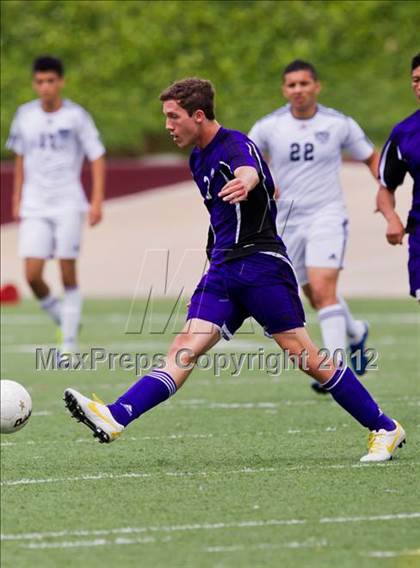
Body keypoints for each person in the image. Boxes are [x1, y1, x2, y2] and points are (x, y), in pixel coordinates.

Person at [64, 78, 405, 463]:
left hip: (261, 264)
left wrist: (246, 182)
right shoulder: (197, 158)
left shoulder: (235, 144)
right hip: (223, 268)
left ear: (197, 115)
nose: (167, 126)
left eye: (173, 117)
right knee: (183, 347)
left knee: (305, 356)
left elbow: (249, 171)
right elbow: (225, 212)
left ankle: (384, 427)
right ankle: (116, 415)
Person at [248, 60, 379, 392]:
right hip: (287, 220)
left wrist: (384, 190)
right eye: (291, 85)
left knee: (323, 291)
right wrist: (264, 176)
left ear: (316, 86)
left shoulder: (338, 123)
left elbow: (370, 156)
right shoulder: (269, 126)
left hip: (327, 215)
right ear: (284, 90)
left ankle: (333, 371)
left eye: (304, 83)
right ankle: (356, 331)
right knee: (313, 296)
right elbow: (246, 157)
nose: (298, 90)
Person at [6, 55, 106, 355]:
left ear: (60, 82)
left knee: (66, 273)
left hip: (68, 204)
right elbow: (20, 157)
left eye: (50, 81)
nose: (45, 87)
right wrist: (16, 195)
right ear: (34, 83)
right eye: (40, 81)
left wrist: (97, 200)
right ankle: (65, 321)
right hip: (35, 205)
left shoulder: (76, 117)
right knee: (32, 276)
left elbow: (97, 155)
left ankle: (69, 345)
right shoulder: (24, 115)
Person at [376, 53, 420, 302]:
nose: (419, 85)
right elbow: (385, 188)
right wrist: (392, 219)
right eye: (415, 80)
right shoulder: (404, 133)